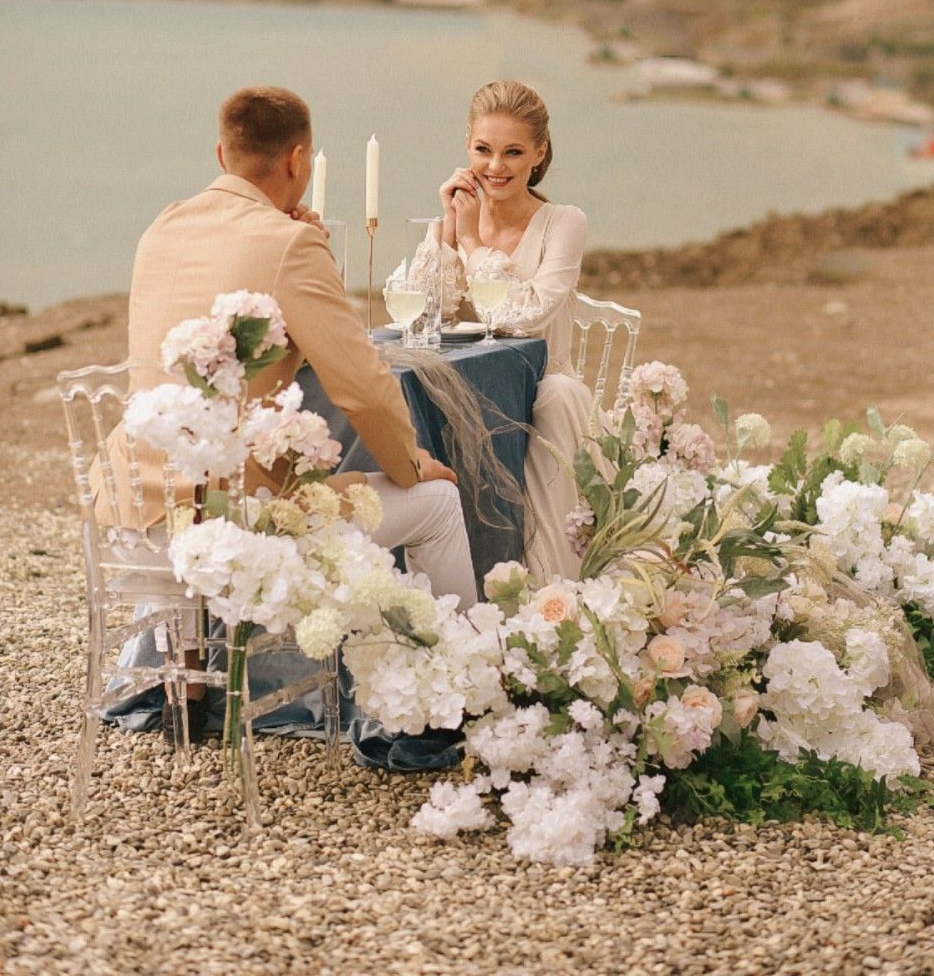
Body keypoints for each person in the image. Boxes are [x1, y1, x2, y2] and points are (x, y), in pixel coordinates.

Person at [92, 86, 477, 738]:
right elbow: (361, 385)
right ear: (298, 160)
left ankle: (188, 687)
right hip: (229, 531)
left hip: (132, 513)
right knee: (436, 505)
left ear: (222, 152)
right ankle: (463, 694)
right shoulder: (290, 245)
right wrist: (412, 464)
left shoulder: (162, 226)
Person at [438, 80, 591, 582]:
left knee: (558, 397)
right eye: (483, 150)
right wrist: (445, 231)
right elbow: (429, 312)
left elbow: (527, 317)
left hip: (542, 396)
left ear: (538, 153)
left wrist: (469, 240)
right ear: (467, 146)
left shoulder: (564, 223)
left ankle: (550, 586)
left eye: (513, 152)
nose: (495, 167)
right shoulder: (454, 216)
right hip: (471, 392)